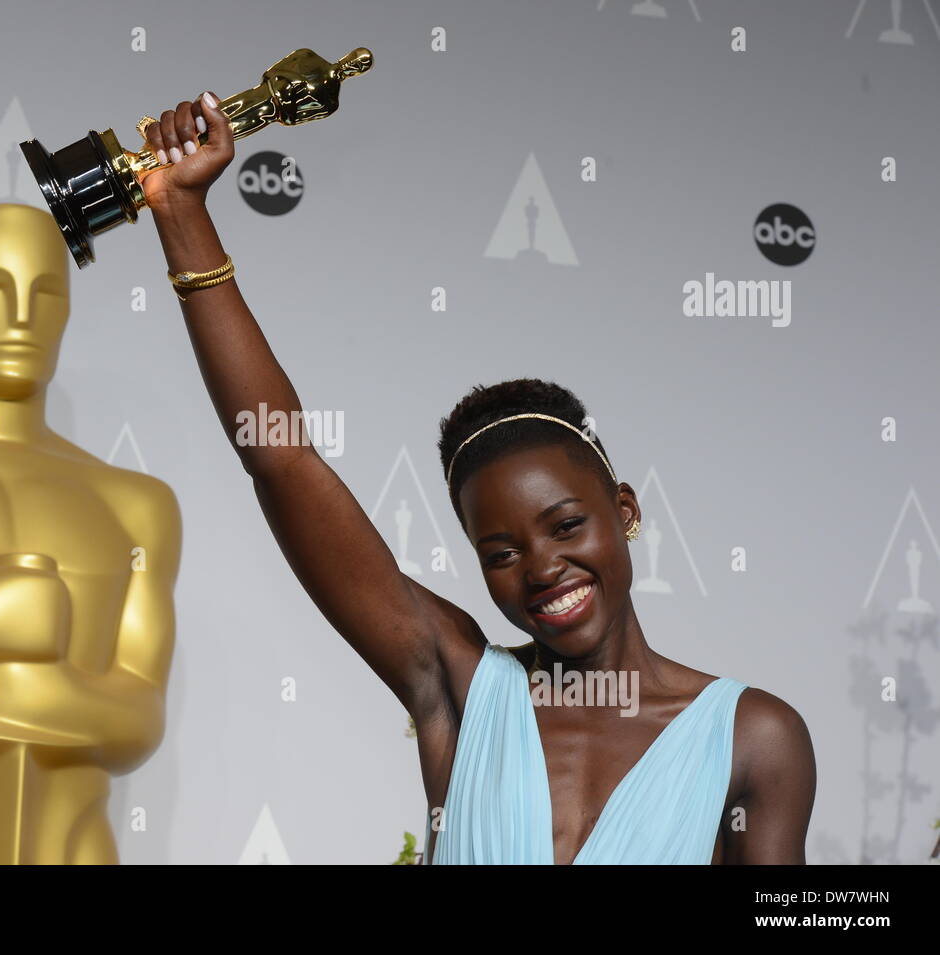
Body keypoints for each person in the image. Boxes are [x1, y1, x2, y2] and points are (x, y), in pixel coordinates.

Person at [139, 92, 816, 864]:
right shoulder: (457, 683)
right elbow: (280, 457)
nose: (543, 568)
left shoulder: (754, 736)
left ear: (623, 508)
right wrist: (181, 212)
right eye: (501, 551)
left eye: (565, 525)